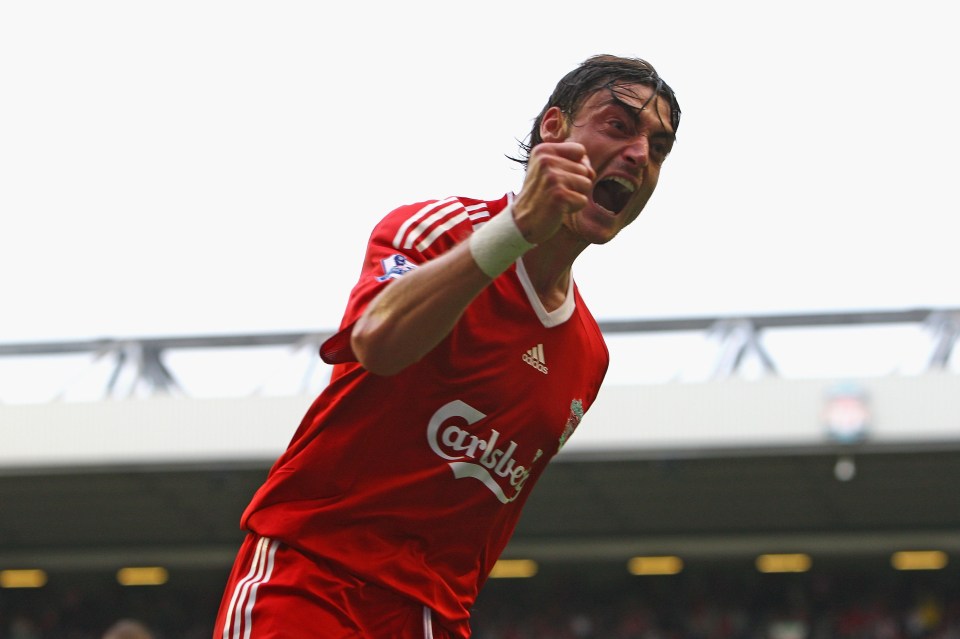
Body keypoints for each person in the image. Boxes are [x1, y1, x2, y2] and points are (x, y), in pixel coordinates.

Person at [214, 54, 680, 639]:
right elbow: (377, 343)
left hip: (436, 618)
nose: (640, 155)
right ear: (554, 131)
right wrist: (515, 234)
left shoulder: (588, 356)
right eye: (618, 126)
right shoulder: (436, 230)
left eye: (658, 148)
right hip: (314, 581)